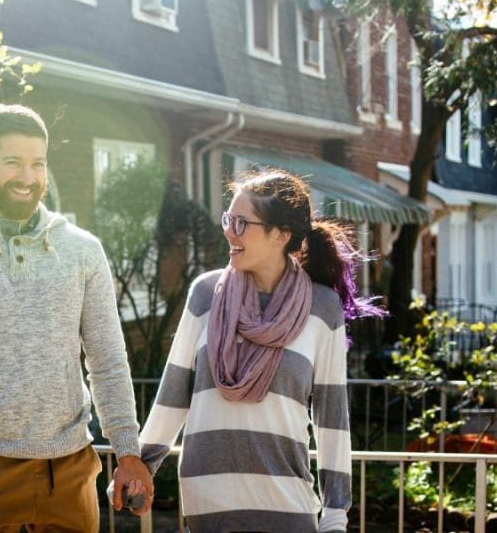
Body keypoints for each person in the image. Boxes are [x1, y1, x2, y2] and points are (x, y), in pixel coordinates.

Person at [0, 104, 153, 532]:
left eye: (37, 163)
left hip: (71, 470)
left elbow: (107, 359)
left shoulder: (82, 250)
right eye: (12, 162)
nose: (27, 176)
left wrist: (127, 449)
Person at [127, 168, 379, 532]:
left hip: (286, 502)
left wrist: (336, 513)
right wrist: (142, 467)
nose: (229, 231)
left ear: (281, 234)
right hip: (208, 502)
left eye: (242, 223)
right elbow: (174, 393)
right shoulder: (205, 294)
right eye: (228, 219)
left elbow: (332, 418)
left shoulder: (322, 308)